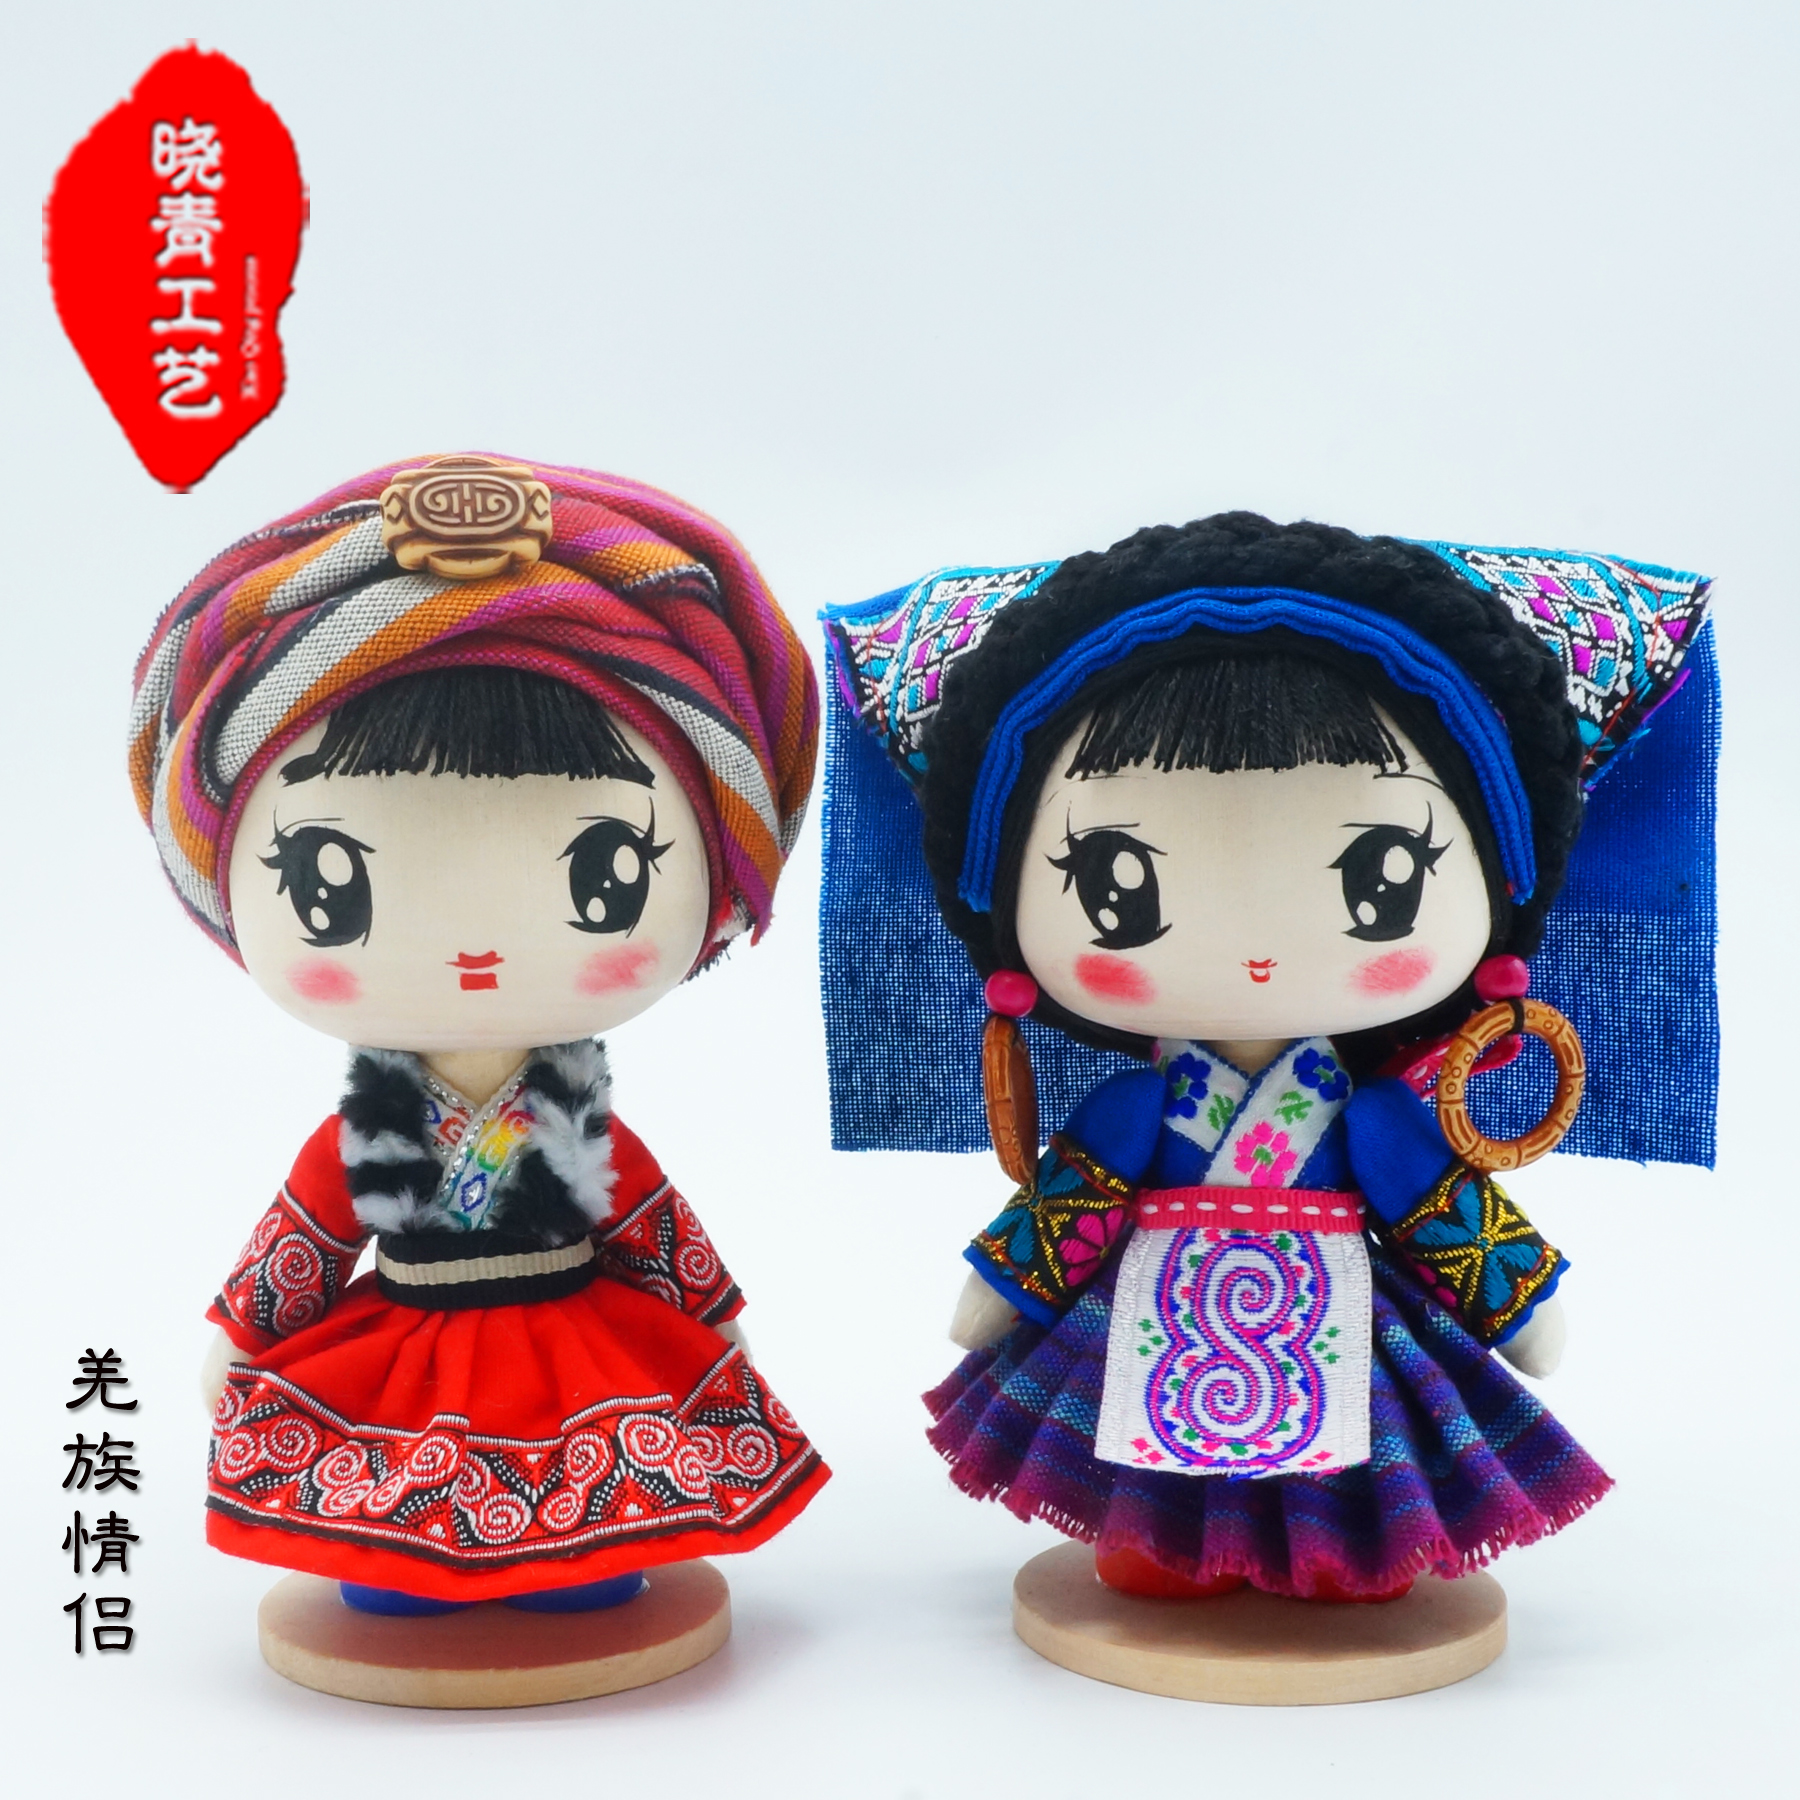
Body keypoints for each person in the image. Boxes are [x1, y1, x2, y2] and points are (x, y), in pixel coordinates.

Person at [821, 512, 1714, 1600]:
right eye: (1116, 884)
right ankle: (1165, 1548)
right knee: (1149, 1496)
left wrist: (1516, 1302)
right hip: (1158, 1317)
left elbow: (1443, 1211)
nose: (1253, 948)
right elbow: (1069, 1206)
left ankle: (1337, 1552)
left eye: (1380, 876)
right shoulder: (1136, 1111)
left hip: (1336, 1314)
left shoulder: (1371, 1120)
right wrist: (1000, 1289)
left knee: (1346, 1473)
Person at [131, 454, 827, 1612]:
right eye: (332, 882)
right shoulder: (372, 1127)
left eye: (603, 873)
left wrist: (711, 1320)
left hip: (569, 1335)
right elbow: (305, 1240)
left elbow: (649, 1227)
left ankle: (578, 1573)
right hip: (413, 1333)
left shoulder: (570, 1112)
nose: (474, 950)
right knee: (391, 1554)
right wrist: (240, 1338)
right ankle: (407, 1577)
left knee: (595, 1546)